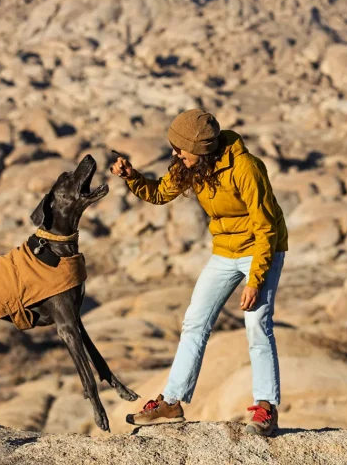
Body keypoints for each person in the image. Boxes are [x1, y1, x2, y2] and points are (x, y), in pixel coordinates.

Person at [110, 109, 288, 436]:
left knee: (257, 323)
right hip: (225, 250)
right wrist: (130, 176)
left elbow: (265, 229)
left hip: (262, 249)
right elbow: (160, 193)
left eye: (180, 149)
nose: (175, 154)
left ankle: (266, 408)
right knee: (195, 320)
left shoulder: (247, 168)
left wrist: (256, 280)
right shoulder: (192, 167)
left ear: (201, 148)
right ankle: (172, 402)